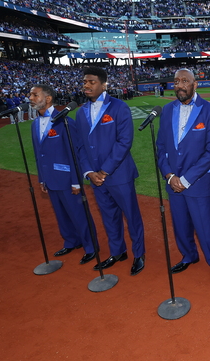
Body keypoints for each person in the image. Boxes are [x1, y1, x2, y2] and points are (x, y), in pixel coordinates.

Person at [156, 69, 210, 283]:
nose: (180, 85)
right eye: (176, 81)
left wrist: (185, 180)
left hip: (197, 183)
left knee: (205, 225)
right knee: (180, 224)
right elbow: (160, 147)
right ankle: (189, 256)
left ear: (195, 85)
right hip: (173, 182)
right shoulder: (167, 110)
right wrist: (169, 175)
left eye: (185, 81)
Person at [75, 66, 146, 275]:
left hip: (119, 175)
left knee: (131, 216)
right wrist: (89, 172)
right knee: (109, 217)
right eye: (85, 82)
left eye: (91, 82)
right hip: (95, 178)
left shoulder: (119, 107)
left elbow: (124, 142)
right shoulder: (80, 112)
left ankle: (139, 254)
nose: (86, 85)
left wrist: (104, 171)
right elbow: (79, 146)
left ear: (104, 85)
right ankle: (117, 252)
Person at [29, 84, 96, 265]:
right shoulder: (35, 124)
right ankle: (71, 241)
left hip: (68, 179)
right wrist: (41, 178)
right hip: (50, 179)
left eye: (35, 95)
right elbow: (38, 154)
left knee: (79, 214)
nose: (30, 98)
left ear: (48, 98)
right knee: (60, 214)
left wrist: (76, 181)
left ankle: (91, 247)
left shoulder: (65, 121)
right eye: (30, 95)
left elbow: (75, 153)